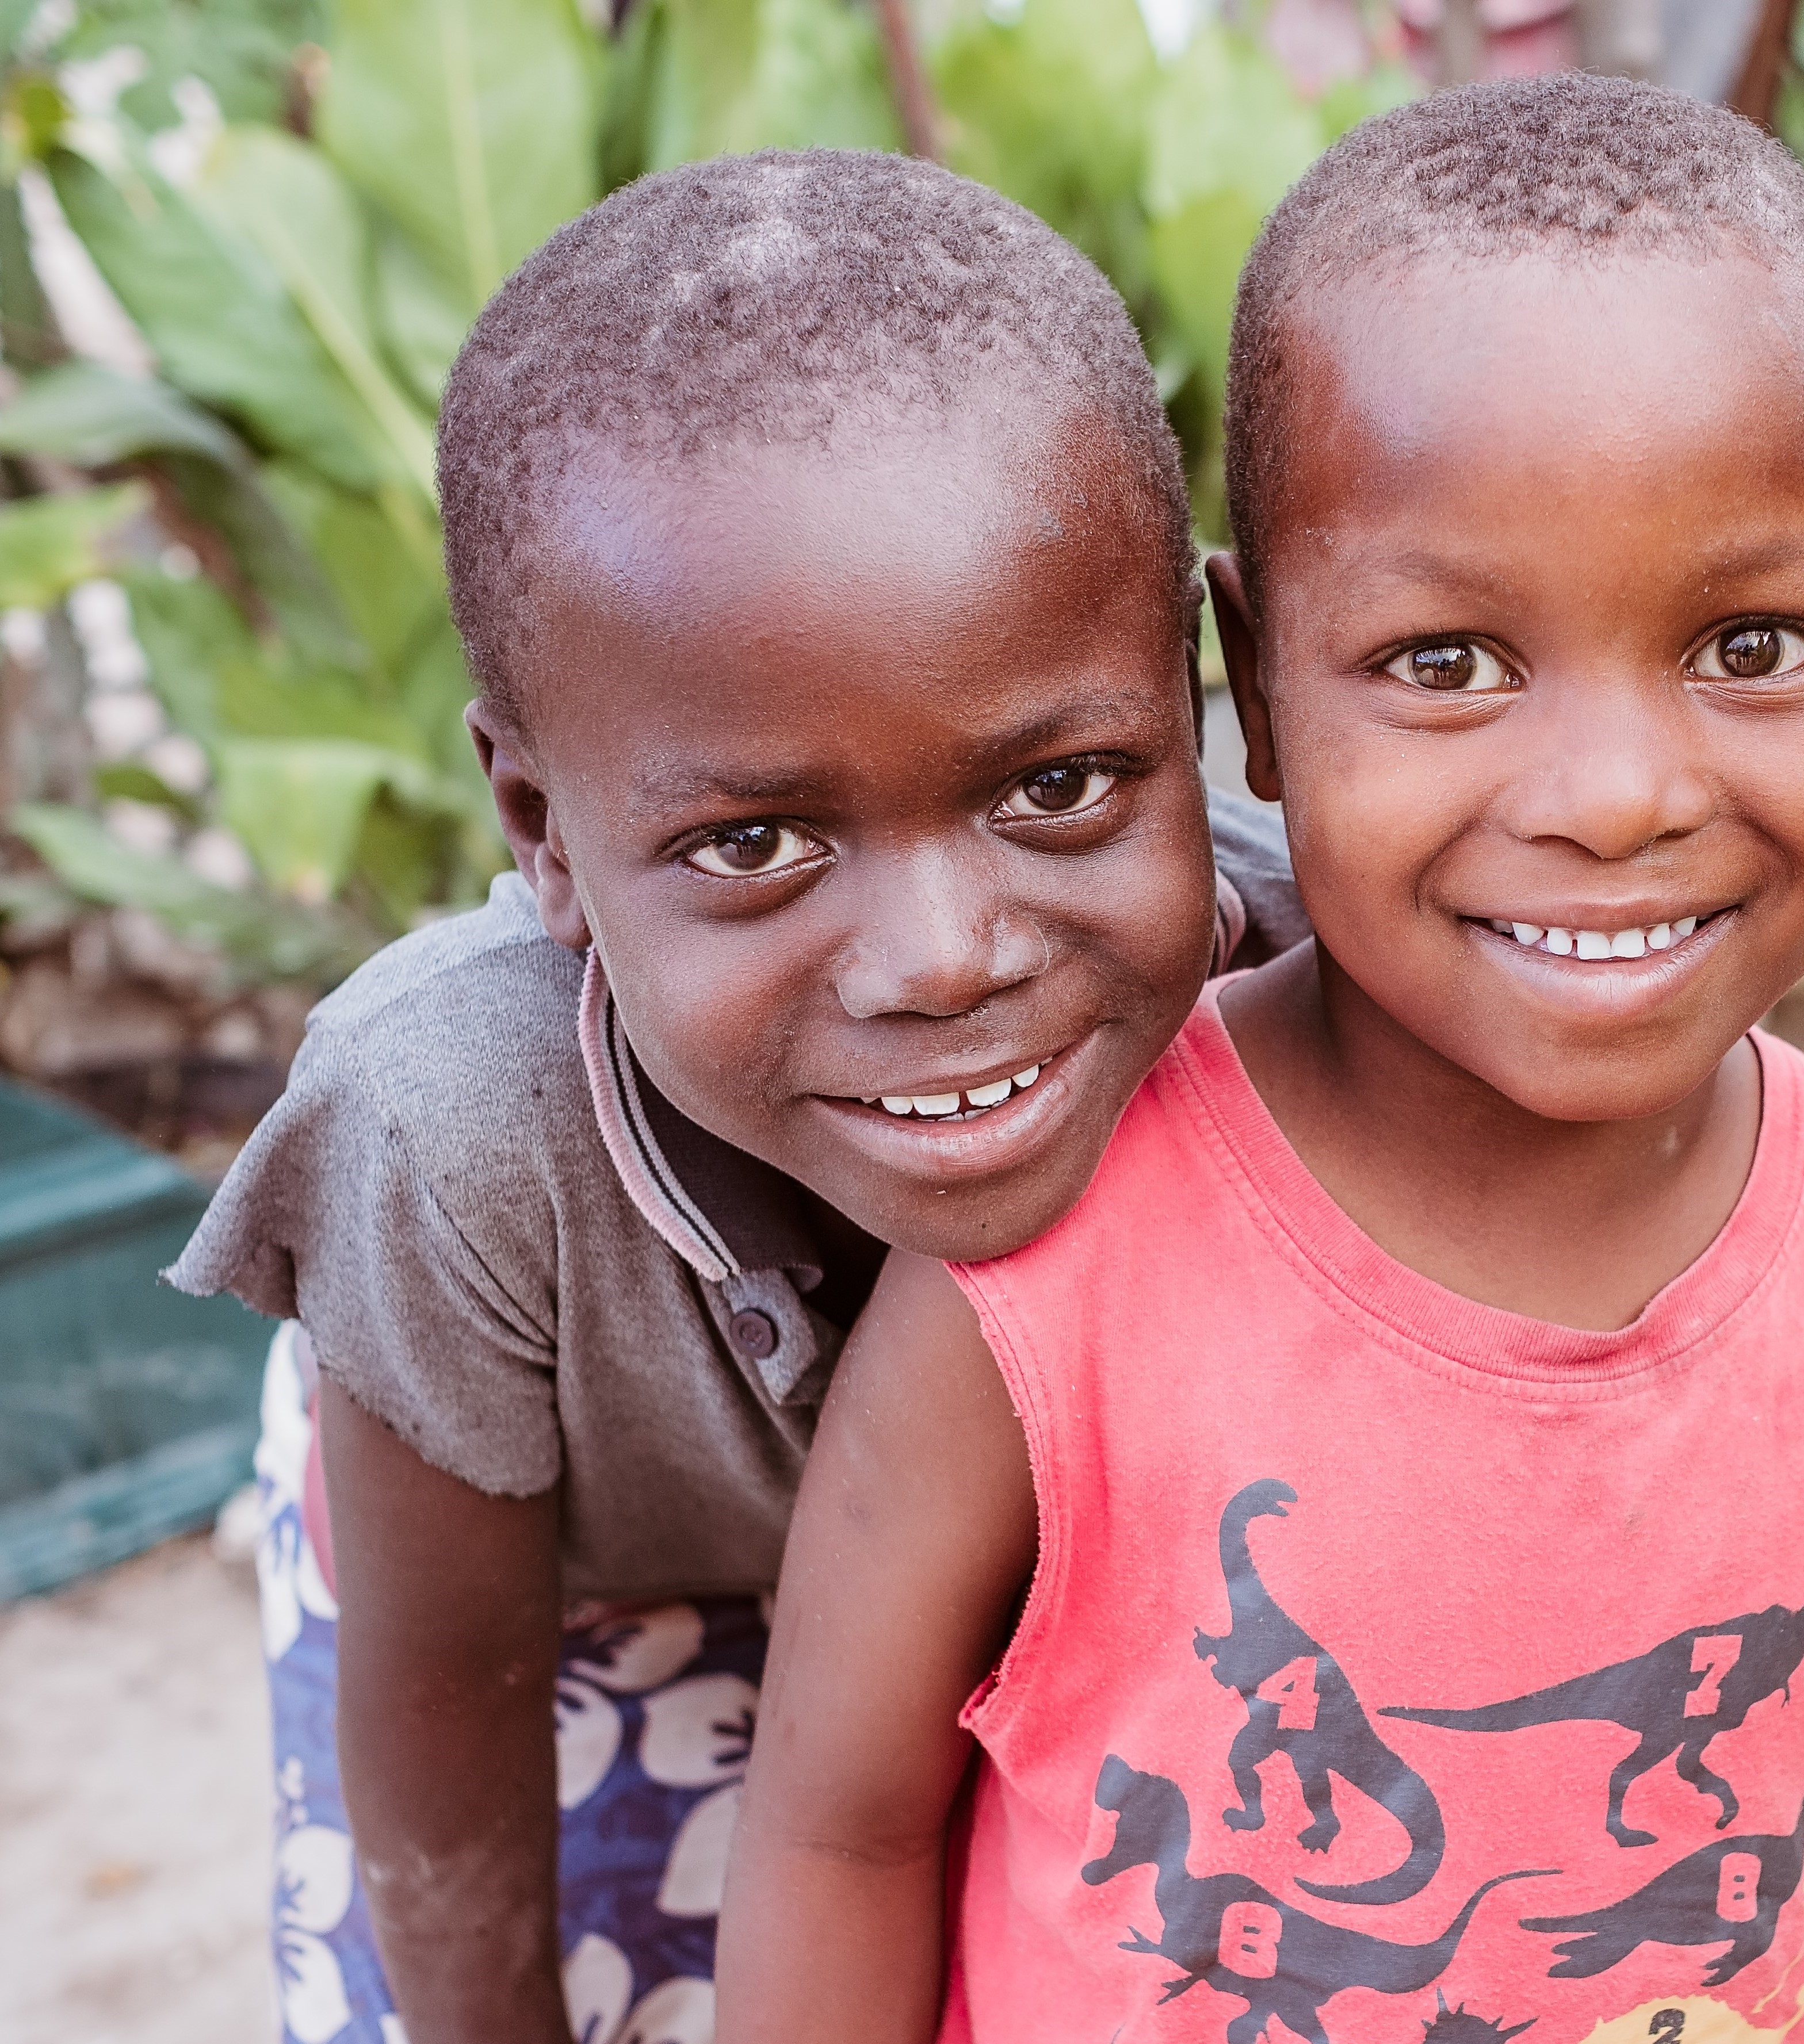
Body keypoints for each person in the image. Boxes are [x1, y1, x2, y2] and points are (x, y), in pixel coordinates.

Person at [719, 75, 1804, 2044]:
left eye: (1749, 645)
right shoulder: (1044, 1277)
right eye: (1446, 664)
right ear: (1251, 689)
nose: (1614, 796)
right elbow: (839, 1841)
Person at [169, 150, 1306, 2044]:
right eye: (758, 841)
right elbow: (445, 1742)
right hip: (563, 1598)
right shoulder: (454, 1137)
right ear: (540, 828)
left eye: (1057, 787)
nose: (941, 958)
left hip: (1027, 1589)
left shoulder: (1303, 997)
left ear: (1193, 695)